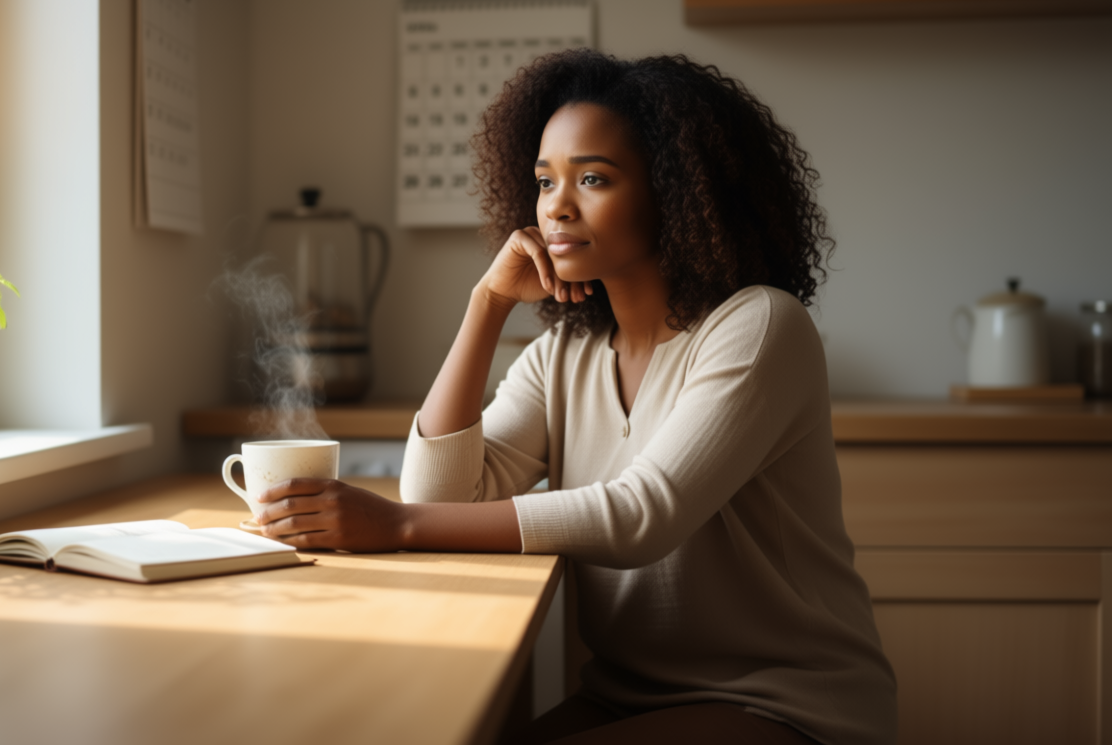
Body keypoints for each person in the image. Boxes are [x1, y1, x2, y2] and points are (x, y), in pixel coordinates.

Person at [252, 50, 897, 745]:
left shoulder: (760, 326)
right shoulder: (564, 356)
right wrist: (487, 304)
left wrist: (397, 528)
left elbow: (639, 516)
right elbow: (438, 495)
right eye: (543, 180)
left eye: (593, 178)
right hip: (626, 698)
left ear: (676, 192)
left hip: (788, 705)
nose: (555, 206)